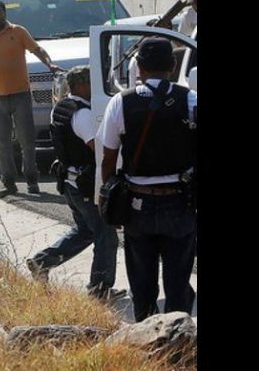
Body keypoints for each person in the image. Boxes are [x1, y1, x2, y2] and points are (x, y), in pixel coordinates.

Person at [100, 37, 197, 322]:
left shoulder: (121, 102)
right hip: (180, 203)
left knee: (142, 286)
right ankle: (177, 346)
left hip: (137, 204)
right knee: (178, 285)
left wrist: (110, 198)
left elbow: (108, 157)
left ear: (138, 67)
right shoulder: (191, 100)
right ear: (173, 65)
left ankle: (147, 343)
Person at [27, 66, 125, 302]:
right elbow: (99, 149)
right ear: (81, 85)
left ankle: (42, 262)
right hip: (85, 185)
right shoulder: (82, 114)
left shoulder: (61, 108)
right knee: (106, 235)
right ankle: (100, 290)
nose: (96, 88)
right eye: (92, 83)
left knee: (85, 231)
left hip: (70, 182)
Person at [0, 0, 61, 197]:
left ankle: (31, 180)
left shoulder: (18, 32)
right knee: (3, 142)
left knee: (26, 140)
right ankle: (8, 183)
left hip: (20, 94)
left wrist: (49, 64)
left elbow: (37, 49)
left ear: (4, 13)